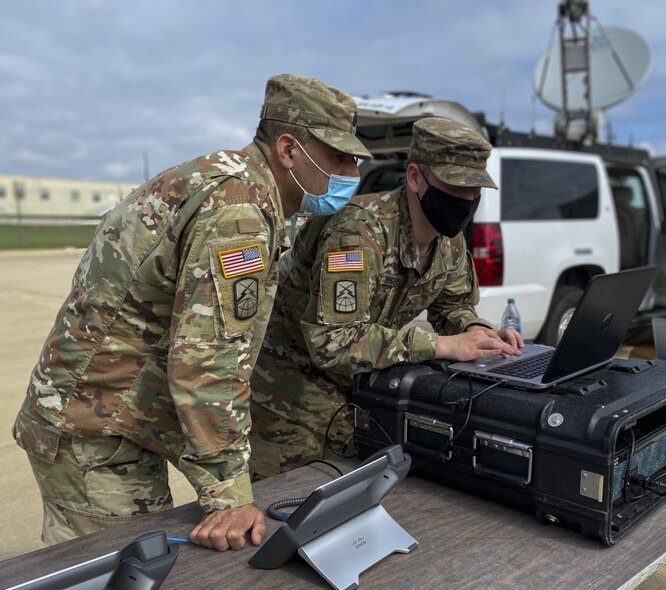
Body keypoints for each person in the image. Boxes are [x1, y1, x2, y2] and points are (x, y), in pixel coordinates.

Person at [11, 74, 371, 551]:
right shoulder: (238, 209)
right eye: (338, 156)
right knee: (120, 570)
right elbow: (208, 361)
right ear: (288, 150)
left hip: (111, 414)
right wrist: (227, 494)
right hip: (94, 429)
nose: (351, 171)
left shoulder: (230, 182)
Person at [249, 116, 524, 479]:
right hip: (291, 399)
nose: (467, 199)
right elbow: (332, 343)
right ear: (414, 177)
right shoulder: (358, 233)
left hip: (359, 391)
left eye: (475, 189)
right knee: (287, 514)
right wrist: (441, 345)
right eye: (455, 186)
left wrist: (477, 332)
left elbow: (452, 305)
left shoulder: (448, 240)